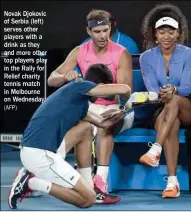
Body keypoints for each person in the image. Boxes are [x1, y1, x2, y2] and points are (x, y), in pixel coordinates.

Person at [8, 64, 131, 209]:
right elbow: (125, 89)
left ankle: (87, 183)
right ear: (102, 86)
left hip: (36, 151)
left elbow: (103, 123)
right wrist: (124, 102)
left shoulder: (79, 101)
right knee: (88, 199)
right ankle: (31, 182)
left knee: (86, 128)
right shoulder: (80, 86)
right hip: (40, 155)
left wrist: (122, 112)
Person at [47, 9, 133, 203]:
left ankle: (100, 182)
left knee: (105, 123)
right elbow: (52, 79)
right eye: (97, 32)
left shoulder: (122, 53)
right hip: (90, 108)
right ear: (88, 31)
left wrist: (99, 90)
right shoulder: (80, 51)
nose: (102, 36)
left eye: (106, 30)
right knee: (81, 127)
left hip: (118, 108)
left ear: (110, 28)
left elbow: (126, 91)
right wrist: (65, 76)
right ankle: (81, 183)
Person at [138, 3, 191, 199]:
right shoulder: (146, 57)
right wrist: (166, 93)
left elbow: (188, 87)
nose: (166, 36)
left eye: (171, 31)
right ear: (155, 34)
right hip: (160, 107)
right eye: (162, 32)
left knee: (174, 101)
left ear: (178, 34)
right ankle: (173, 183)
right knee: (171, 124)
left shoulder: (189, 54)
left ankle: (156, 149)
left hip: (187, 105)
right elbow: (152, 89)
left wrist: (173, 90)